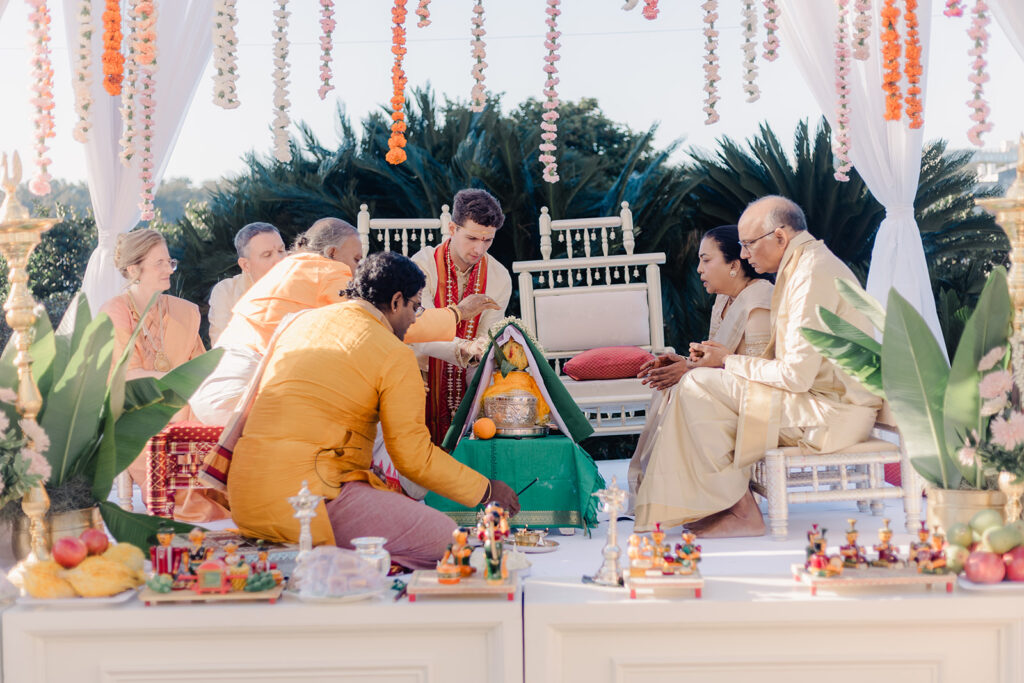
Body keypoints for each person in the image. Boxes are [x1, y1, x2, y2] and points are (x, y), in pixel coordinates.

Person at [226, 251, 519, 569]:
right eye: (415, 306)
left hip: (244, 496)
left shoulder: (300, 323)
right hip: (306, 503)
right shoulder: (394, 352)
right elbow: (413, 457)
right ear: (396, 302)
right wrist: (486, 489)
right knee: (447, 539)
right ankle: (344, 570)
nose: (415, 319)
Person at [632, 196, 883, 537]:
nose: (745, 255)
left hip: (832, 413)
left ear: (780, 238)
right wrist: (706, 364)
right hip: (815, 401)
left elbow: (794, 376)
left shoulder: (809, 275)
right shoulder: (803, 267)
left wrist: (725, 362)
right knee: (699, 383)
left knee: (698, 387)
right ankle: (721, 504)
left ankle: (743, 513)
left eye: (749, 245)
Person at [190, 217, 498, 426]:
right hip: (241, 389)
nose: (357, 269)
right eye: (355, 259)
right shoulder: (326, 270)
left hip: (216, 382)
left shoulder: (294, 268)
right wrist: (457, 314)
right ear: (333, 253)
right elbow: (385, 324)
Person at [628, 225, 773, 499]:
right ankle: (666, 493)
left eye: (706, 260)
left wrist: (689, 370)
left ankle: (697, 496)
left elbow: (759, 372)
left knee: (686, 384)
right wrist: (682, 362)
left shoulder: (758, 300)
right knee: (670, 385)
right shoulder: (724, 300)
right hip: (727, 389)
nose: (698, 269)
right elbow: (716, 359)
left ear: (734, 264)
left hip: (759, 400)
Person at [99, 229, 230, 522]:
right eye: (158, 263)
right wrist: (181, 379)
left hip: (189, 413)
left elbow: (202, 369)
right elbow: (127, 378)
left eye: (169, 261)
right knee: (183, 495)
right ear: (134, 269)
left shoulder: (184, 312)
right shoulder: (115, 312)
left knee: (227, 452)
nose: (168, 269)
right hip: (140, 417)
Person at [411, 189, 512, 444]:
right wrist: (465, 346)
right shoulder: (421, 266)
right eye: (472, 238)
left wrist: (481, 352)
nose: (479, 249)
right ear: (452, 228)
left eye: (488, 240)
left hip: (468, 380)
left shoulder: (499, 277)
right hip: (417, 377)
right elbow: (416, 332)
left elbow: (485, 342)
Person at [207, 222, 286, 345]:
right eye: (267, 255)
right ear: (245, 265)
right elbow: (223, 348)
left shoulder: (304, 282)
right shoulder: (227, 292)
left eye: (281, 250)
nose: (279, 259)